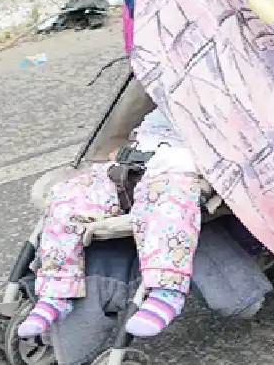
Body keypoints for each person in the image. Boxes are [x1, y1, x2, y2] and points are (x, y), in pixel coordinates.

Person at [19, 109, 205, 340]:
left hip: (174, 175)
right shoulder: (164, 102)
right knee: (65, 201)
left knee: (171, 209)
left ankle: (167, 292)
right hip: (126, 166)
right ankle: (57, 292)